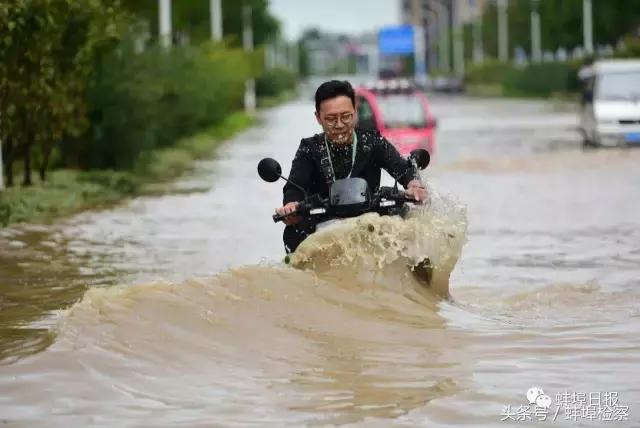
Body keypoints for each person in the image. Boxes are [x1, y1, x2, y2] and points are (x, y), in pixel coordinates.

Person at [276, 80, 428, 253]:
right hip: (321, 224)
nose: (340, 125)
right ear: (318, 117)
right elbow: (294, 186)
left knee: (408, 221)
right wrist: (290, 207)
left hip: (371, 220)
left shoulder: (372, 142)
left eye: (346, 116)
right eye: (331, 119)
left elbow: (404, 169)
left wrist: (414, 185)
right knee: (293, 234)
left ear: (355, 112)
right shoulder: (309, 148)